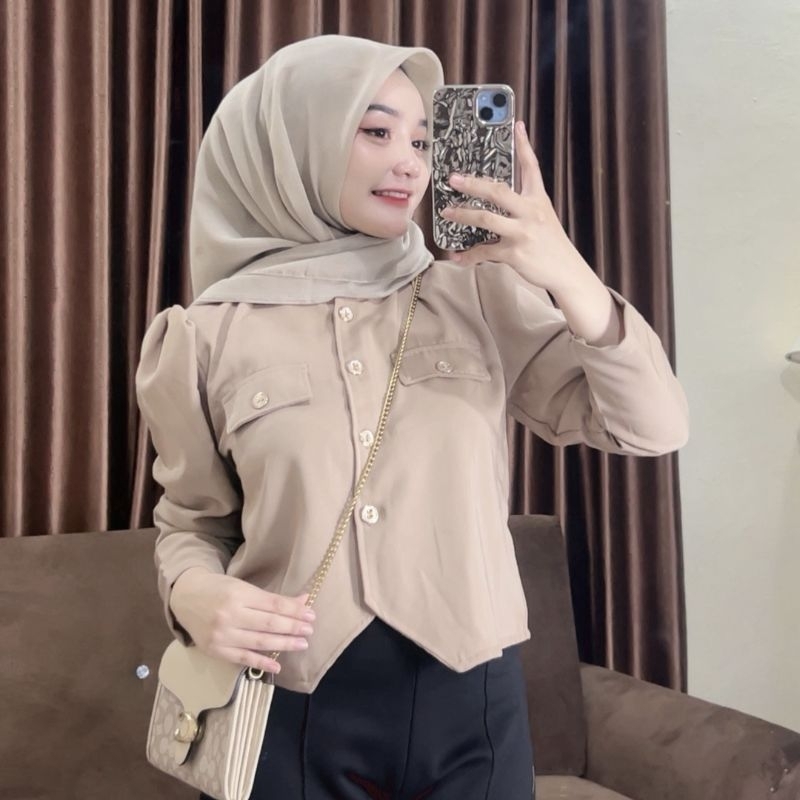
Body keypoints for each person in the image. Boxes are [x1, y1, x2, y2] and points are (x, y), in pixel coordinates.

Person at [136, 34, 688, 800]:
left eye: (423, 140)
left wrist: (563, 266)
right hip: (286, 710)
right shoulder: (204, 336)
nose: (409, 163)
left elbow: (652, 426)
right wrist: (193, 596)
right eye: (376, 131)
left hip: (472, 709)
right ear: (292, 144)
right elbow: (194, 523)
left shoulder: (475, 293)